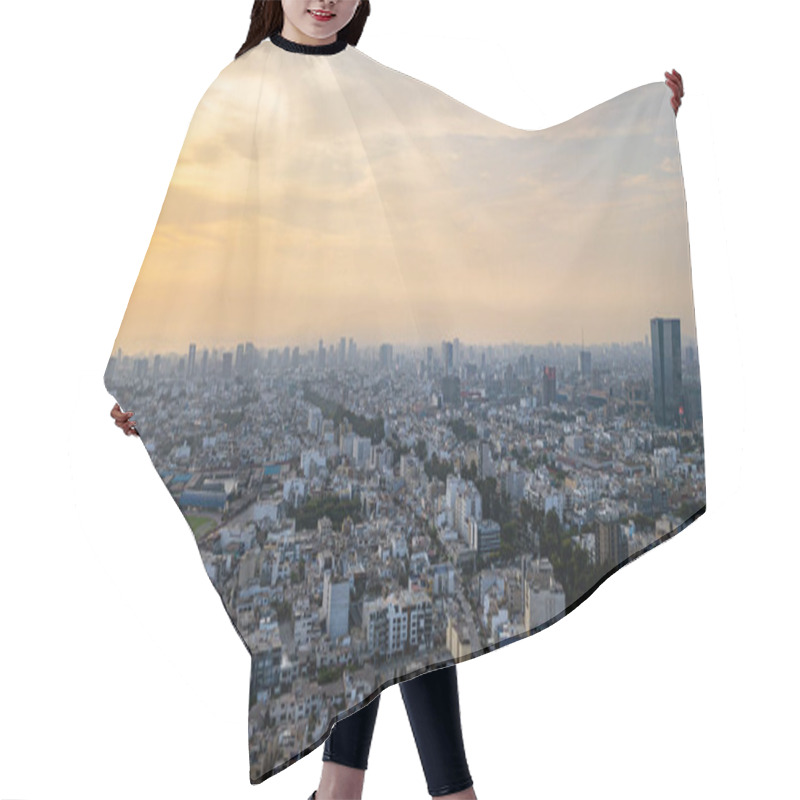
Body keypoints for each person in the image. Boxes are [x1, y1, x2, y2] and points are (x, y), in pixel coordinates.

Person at [110, 2, 685, 798]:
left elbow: (488, 172)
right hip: (299, 389)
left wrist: (633, 132)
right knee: (390, 592)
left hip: (388, 387)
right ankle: (431, 792)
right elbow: (195, 244)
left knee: (400, 592)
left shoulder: (373, 87)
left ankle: (351, 791)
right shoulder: (239, 92)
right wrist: (151, 380)